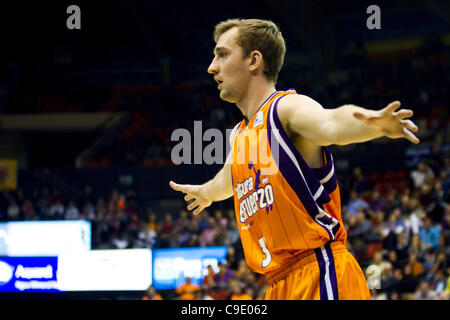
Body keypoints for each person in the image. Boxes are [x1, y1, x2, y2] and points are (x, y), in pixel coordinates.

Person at [169, 18, 419, 300]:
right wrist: (205, 193)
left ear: (254, 60)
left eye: (223, 54)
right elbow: (227, 180)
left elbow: (331, 123)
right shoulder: (239, 136)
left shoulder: (284, 108)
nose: (211, 66)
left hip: (320, 272)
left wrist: (373, 124)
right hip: (278, 285)